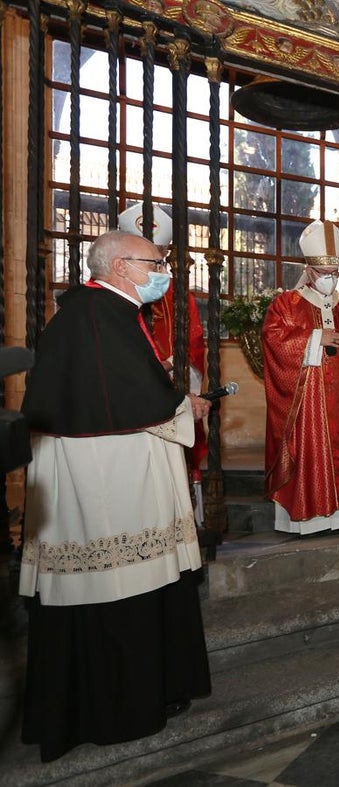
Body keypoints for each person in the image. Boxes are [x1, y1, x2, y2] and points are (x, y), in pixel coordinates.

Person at [19, 230, 212, 762]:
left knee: (135, 584)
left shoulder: (101, 313)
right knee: (118, 585)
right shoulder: (100, 314)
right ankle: (119, 706)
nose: (164, 271)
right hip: (107, 484)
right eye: (157, 262)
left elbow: (125, 385)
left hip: (113, 473)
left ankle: (145, 692)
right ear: (124, 266)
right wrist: (183, 405)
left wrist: (170, 393)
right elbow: (133, 401)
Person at [262, 220, 339, 535]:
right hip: (309, 408)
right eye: (323, 274)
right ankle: (311, 517)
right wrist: (317, 338)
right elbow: (275, 344)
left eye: (334, 274)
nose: (329, 280)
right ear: (308, 269)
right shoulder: (285, 305)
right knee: (313, 453)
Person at [118, 203, 209, 514]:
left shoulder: (178, 293)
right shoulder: (107, 299)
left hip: (171, 384)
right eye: (152, 258)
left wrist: (171, 366)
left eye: (162, 257)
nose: (159, 267)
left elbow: (194, 340)